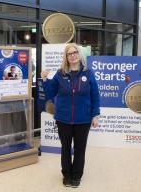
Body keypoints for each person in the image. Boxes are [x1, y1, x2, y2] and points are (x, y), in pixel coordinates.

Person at [41, 43, 100, 188]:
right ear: (66, 57)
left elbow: (95, 95)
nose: (72, 55)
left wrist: (95, 115)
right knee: (65, 147)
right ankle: (66, 174)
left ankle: (77, 175)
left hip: (83, 119)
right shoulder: (60, 73)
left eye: (75, 52)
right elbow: (50, 93)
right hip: (63, 119)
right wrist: (44, 80)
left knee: (80, 149)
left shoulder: (88, 73)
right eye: (69, 53)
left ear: (79, 55)